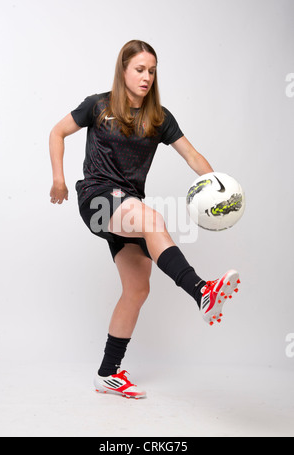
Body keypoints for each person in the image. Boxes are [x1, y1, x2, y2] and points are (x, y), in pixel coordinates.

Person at [49, 40, 240, 399]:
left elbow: (192, 155)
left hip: (127, 206)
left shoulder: (159, 118)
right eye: (139, 69)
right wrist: (58, 178)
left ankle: (108, 373)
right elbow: (57, 132)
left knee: (137, 289)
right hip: (98, 198)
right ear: (123, 70)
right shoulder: (98, 106)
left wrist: (219, 185)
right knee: (152, 219)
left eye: (152, 71)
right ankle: (203, 292)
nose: (146, 77)